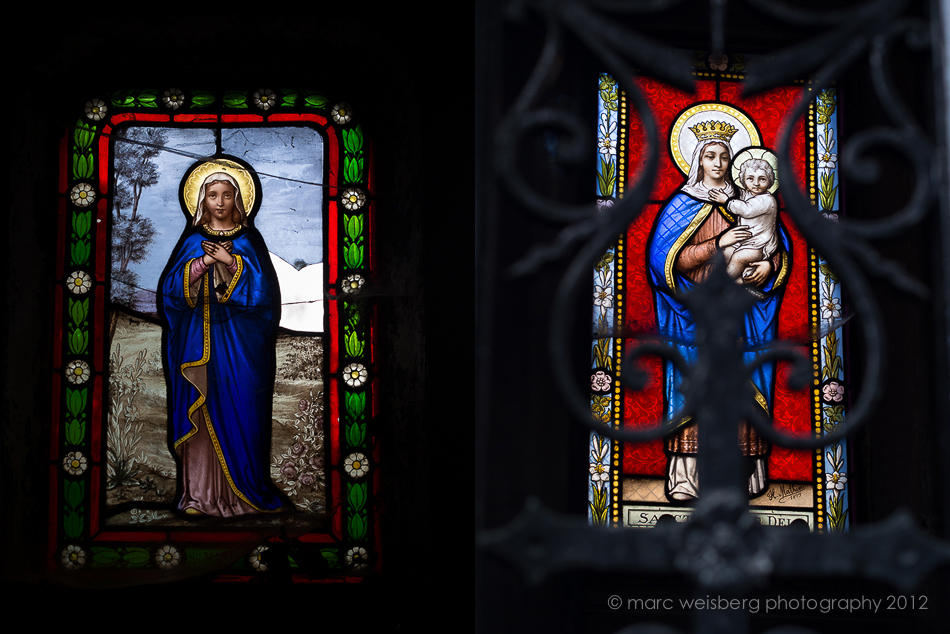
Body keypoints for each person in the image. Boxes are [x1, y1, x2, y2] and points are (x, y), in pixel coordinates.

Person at [646, 122, 790, 501]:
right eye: (711, 155)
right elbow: (666, 261)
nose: (719, 162)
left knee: (742, 385)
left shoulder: (750, 199)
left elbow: (775, 245)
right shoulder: (682, 205)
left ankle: (744, 478)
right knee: (696, 386)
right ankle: (687, 479)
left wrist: (770, 269)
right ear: (697, 160)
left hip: (742, 315)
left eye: (725, 156)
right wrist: (718, 242)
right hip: (693, 312)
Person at [159, 168, 286, 516]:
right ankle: (199, 498)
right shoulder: (191, 242)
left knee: (242, 414)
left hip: (241, 351)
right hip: (196, 349)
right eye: (212, 195)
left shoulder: (249, 243)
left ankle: (242, 495)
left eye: (227, 195)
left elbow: (264, 299)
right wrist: (202, 263)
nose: (219, 203)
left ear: (239, 200)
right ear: (202, 200)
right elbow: (171, 294)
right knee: (199, 413)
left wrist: (231, 262)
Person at [709, 158, 779, 284]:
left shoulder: (767, 200)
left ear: (770, 181)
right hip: (744, 243)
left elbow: (747, 209)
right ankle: (739, 281)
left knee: (738, 257)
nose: (756, 183)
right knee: (727, 251)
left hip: (758, 246)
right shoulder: (748, 194)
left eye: (762, 179)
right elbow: (737, 191)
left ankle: (723, 284)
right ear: (743, 180)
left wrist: (726, 201)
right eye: (750, 179)